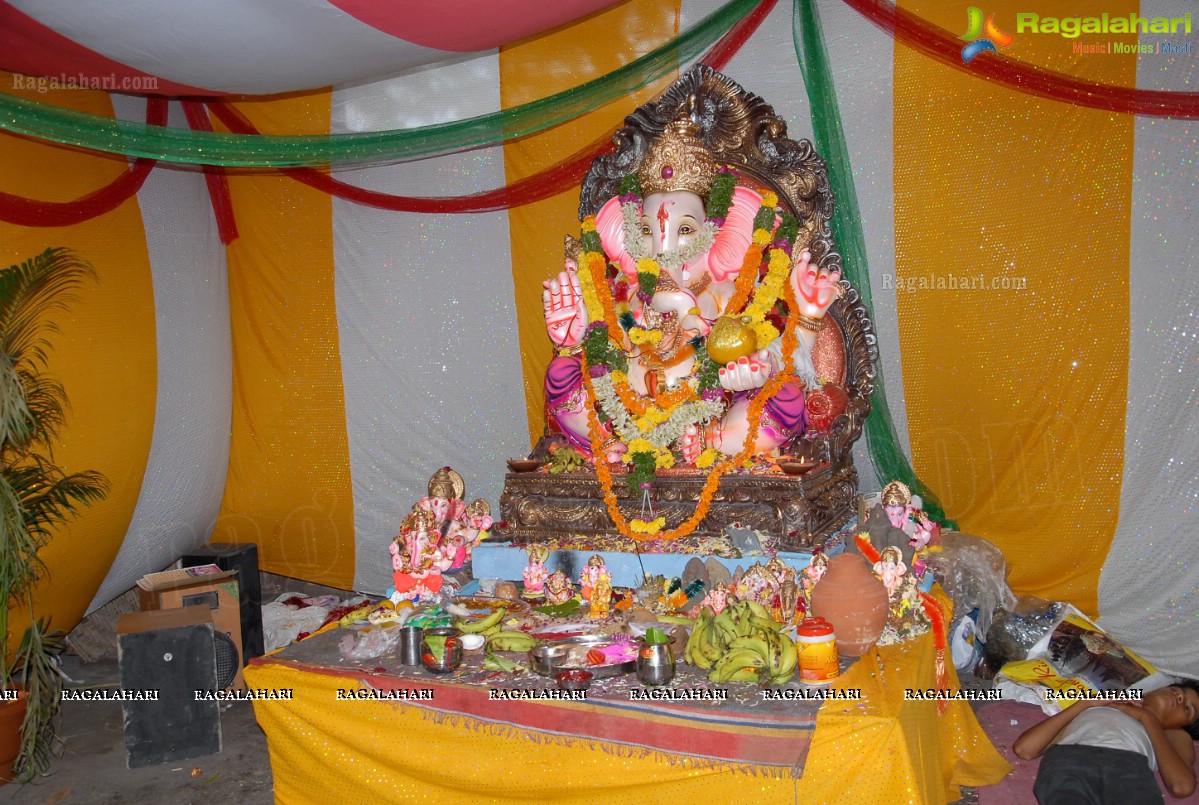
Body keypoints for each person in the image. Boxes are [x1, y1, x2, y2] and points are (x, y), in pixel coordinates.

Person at [1012, 681, 1199, 803]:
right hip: (1071, 758)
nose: (1179, 697)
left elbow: (1182, 786)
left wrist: (1148, 718)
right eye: (1178, 690)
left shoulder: (1173, 735)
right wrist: (1085, 704)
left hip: (1130, 768)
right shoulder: (1101, 705)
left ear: (1182, 725)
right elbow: (1024, 749)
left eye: (1188, 709)